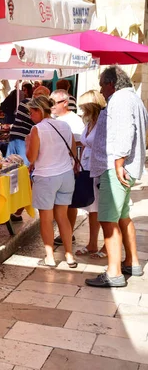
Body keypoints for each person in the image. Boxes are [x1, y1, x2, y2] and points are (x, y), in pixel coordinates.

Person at [86, 66, 148, 288]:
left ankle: (114, 273)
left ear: (111, 83)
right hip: (124, 167)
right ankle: (132, 262)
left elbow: (124, 132)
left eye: (102, 84)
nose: (101, 91)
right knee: (122, 216)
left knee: (108, 219)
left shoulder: (120, 99)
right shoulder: (134, 99)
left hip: (116, 168)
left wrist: (119, 162)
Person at [26, 95, 78, 268]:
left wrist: (28, 144)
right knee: (62, 217)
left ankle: (50, 257)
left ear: (37, 111)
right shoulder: (64, 125)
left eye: (30, 113)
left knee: (46, 219)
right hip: (65, 175)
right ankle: (69, 256)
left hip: (46, 177)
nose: (30, 116)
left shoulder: (37, 129)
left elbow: (31, 157)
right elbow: (73, 152)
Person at [74, 90, 107, 258]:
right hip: (87, 168)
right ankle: (92, 243)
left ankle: (107, 246)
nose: (81, 110)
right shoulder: (90, 123)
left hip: (99, 169)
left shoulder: (103, 122)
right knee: (92, 209)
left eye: (83, 106)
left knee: (102, 209)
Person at [50, 89, 85, 246]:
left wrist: (75, 164)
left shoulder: (75, 121)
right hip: (55, 166)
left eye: (54, 103)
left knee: (69, 203)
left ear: (65, 103)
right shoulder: (53, 118)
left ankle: (68, 233)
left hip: (68, 167)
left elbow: (79, 145)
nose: (51, 107)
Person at [6, 83, 34, 165]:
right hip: (23, 138)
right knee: (24, 166)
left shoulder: (23, 102)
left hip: (15, 135)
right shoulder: (30, 104)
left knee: (9, 165)